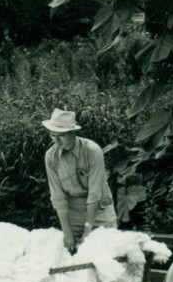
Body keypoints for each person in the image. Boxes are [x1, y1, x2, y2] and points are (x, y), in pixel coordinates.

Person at [42, 108, 117, 254]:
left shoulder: (93, 151)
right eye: (52, 135)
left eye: (61, 136)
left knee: (107, 252)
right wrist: (67, 232)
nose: (56, 141)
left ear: (72, 133)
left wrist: (87, 232)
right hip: (73, 211)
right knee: (70, 253)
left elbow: (95, 194)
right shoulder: (51, 157)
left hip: (100, 209)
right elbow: (58, 197)